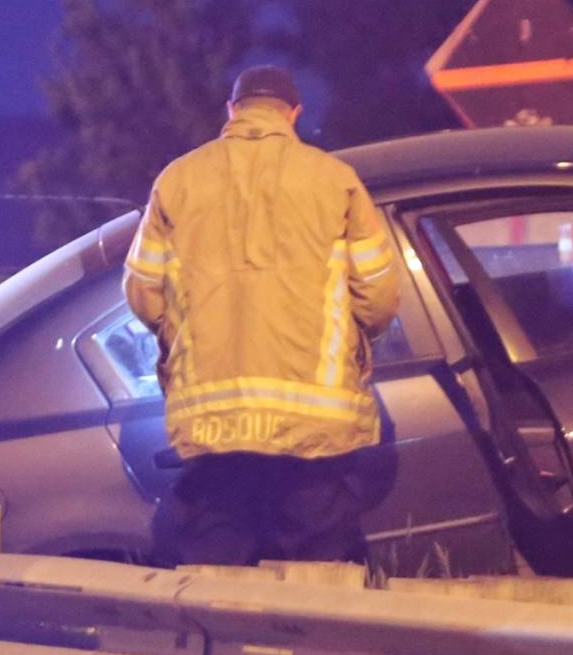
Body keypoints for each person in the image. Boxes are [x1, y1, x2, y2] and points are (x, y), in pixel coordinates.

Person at [123, 65, 401, 567]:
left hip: (214, 420)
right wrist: (352, 346)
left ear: (232, 111)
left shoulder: (178, 180)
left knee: (216, 563)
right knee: (316, 568)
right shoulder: (336, 180)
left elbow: (143, 292)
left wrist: (181, 342)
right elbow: (379, 296)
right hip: (314, 423)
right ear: (293, 114)